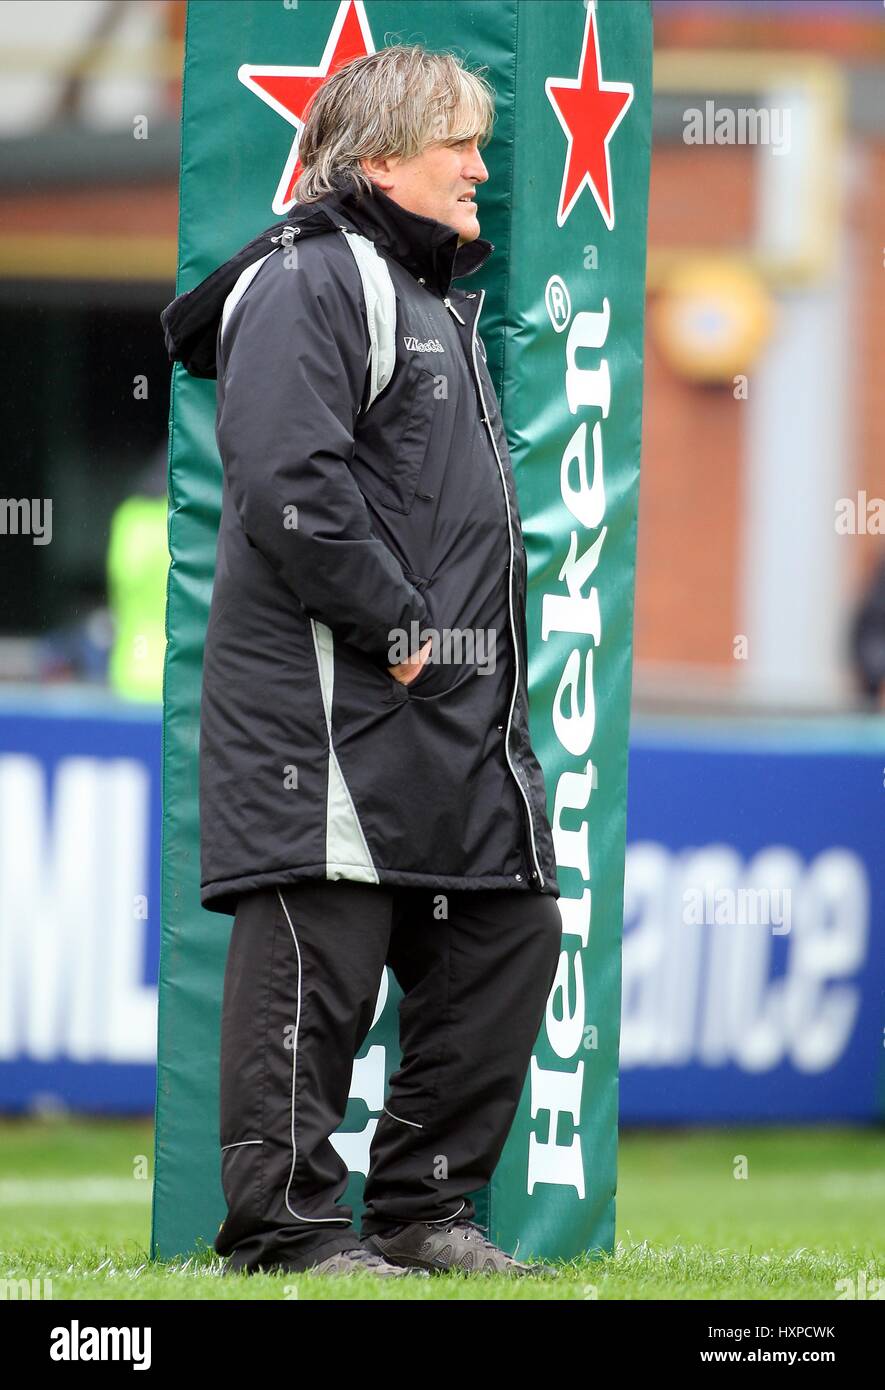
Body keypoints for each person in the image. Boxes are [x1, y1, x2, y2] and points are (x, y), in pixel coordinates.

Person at [161, 44, 562, 1278]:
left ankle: (421, 1210)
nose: (482, 172)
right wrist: (400, 628)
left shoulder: (430, 292)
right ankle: (284, 1230)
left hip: (449, 716)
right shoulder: (313, 279)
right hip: (327, 710)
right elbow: (291, 485)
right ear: (381, 153)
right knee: (313, 962)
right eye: (463, 146)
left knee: (508, 934)